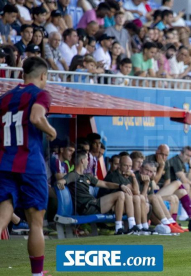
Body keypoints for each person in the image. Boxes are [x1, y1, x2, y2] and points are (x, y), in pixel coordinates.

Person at [0, 57, 57, 276]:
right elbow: (36, 117)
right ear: (43, 75)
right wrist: (51, 131)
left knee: (3, 217)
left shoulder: (4, 98)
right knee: (35, 222)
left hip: (4, 163)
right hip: (30, 165)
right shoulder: (40, 94)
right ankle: (37, 274)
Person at [57, 150, 131, 235]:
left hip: (93, 204)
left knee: (122, 197)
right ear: (82, 161)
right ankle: (119, 228)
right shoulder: (73, 175)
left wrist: (120, 186)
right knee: (120, 194)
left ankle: (127, 227)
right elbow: (61, 181)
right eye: (87, 159)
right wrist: (61, 183)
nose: (88, 161)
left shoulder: (87, 176)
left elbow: (105, 184)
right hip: (86, 207)